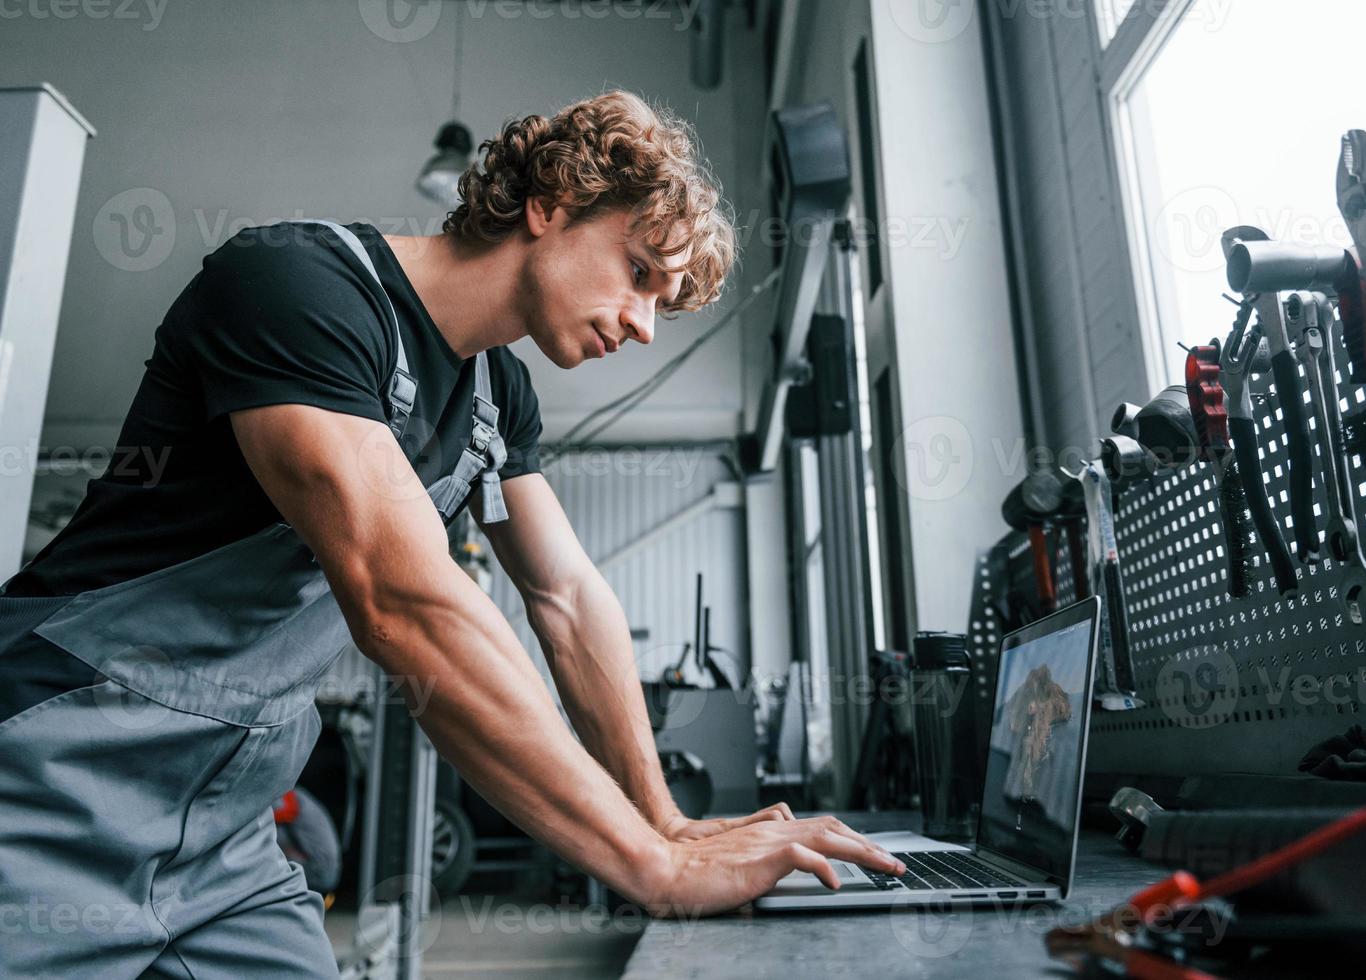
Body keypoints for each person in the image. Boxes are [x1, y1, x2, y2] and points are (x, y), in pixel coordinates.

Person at [0, 90, 903, 977]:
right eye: (637, 273)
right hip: (53, 782)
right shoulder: (298, 287)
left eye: (661, 308)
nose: (641, 325)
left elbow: (567, 598)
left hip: (225, 838)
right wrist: (652, 869)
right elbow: (401, 600)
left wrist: (661, 816)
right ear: (552, 203)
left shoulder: (496, 399)